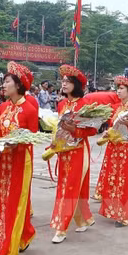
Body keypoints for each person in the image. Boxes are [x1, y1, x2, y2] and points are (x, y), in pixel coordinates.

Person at [0, 62, 38, 255]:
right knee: (3, 200)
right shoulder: (3, 107)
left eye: (7, 82)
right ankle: (25, 235)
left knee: (15, 201)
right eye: (3, 82)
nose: (3, 86)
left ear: (18, 85)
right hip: (5, 162)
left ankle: (10, 251)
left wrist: (15, 143)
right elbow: (0, 131)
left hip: (21, 161)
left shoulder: (29, 109)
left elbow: (32, 138)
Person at [48, 65, 97, 244]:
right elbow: (58, 127)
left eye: (68, 81)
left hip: (78, 151)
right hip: (63, 151)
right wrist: (54, 142)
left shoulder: (85, 105)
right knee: (67, 186)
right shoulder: (61, 104)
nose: (64, 84)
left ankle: (61, 228)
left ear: (76, 84)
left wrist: (75, 130)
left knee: (70, 187)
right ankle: (82, 219)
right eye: (63, 81)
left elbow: (91, 130)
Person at [97, 76, 128, 227]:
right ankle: (114, 209)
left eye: (121, 88)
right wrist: (107, 133)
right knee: (113, 178)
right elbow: (113, 127)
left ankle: (123, 214)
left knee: (125, 180)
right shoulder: (114, 107)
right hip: (113, 147)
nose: (118, 91)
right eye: (117, 88)